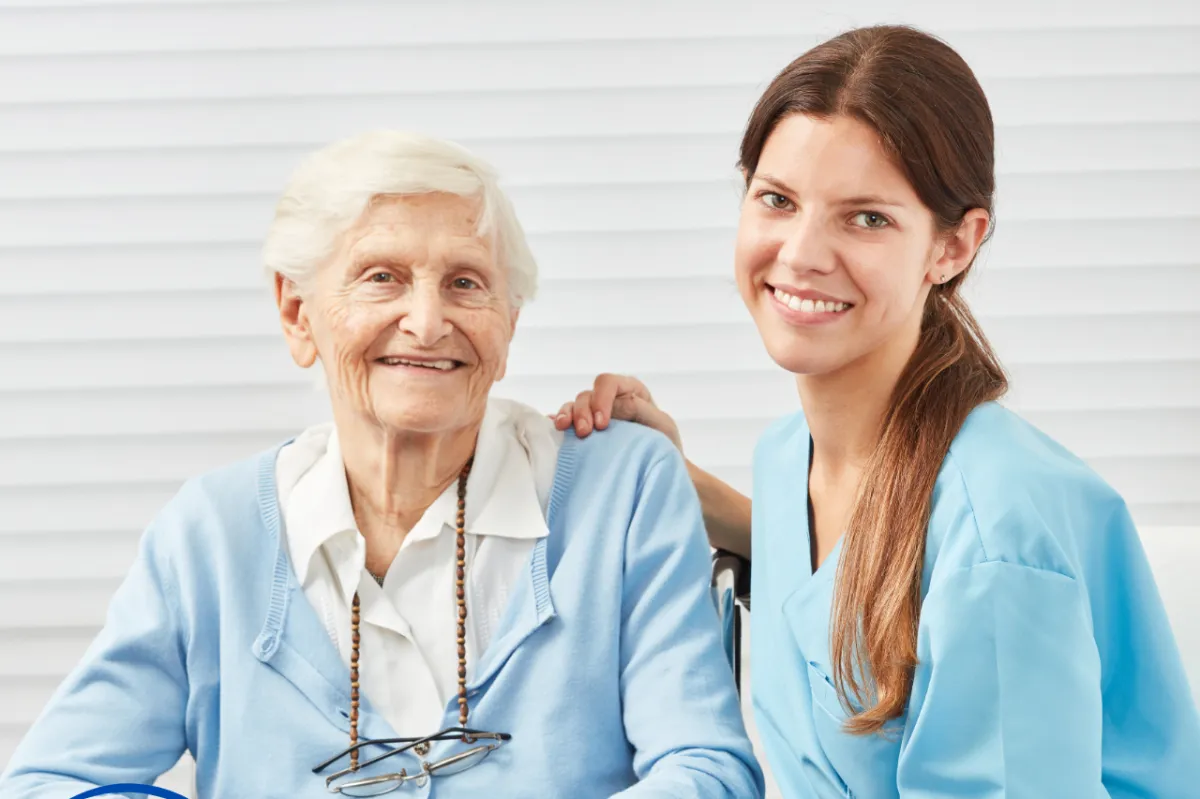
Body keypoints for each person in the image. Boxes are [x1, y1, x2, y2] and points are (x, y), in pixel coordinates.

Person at [0, 131, 764, 798]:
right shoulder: (211, 535)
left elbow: (707, 771)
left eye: (466, 282)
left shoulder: (622, 490)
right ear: (298, 314)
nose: (427, 322)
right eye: (381, 277)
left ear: (508, 324)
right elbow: (50, 783)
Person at [558, 24, 1200, 798]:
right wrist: (674, 481)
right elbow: (846, 580)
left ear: (953, 246)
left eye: (866, 217)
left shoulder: (996, 533)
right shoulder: (788, 453)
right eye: (777, 199)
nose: (801, 253)